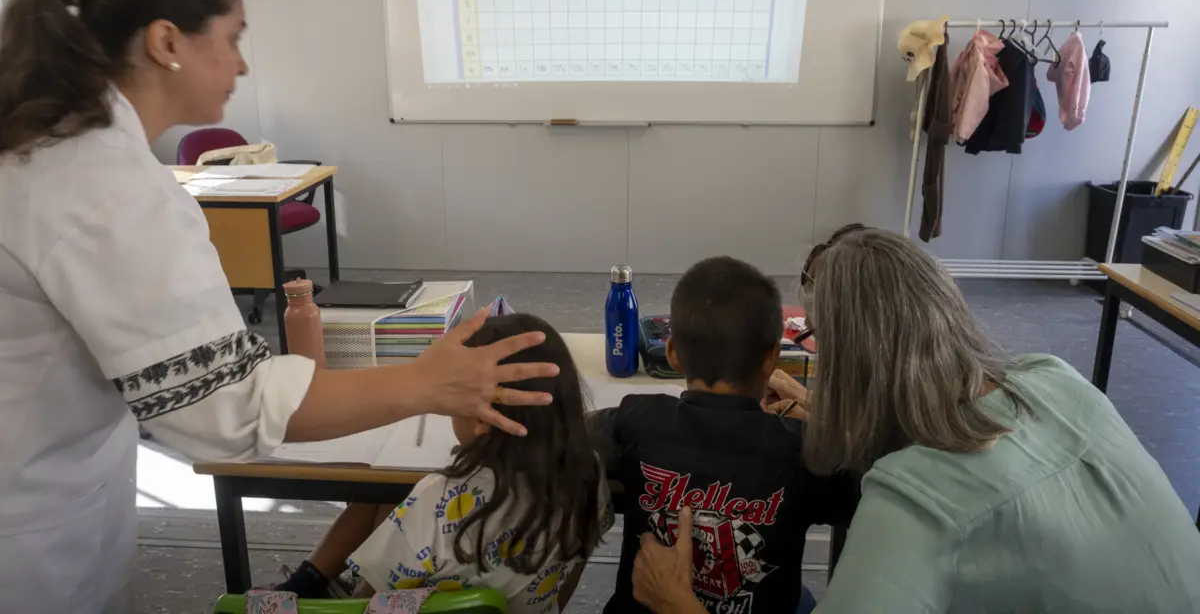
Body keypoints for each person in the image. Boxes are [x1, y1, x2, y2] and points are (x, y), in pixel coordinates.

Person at [0, 0, 559, 614]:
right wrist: (424, 382)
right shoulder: (106, 186)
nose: (241, 63)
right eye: (232, 38)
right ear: (166, 40)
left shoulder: (50, 147)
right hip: (29, 529)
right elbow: (227, 412)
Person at [632, 229, 1200, 613]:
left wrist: (679, 604)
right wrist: (844, 425)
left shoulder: (911, 504)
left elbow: (941, 487)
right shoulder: (1051, 375)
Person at [280, 314, 608, 612]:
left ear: (482, 418)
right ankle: (309, 579)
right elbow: (569, 576)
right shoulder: (589, 473)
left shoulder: (436, 499)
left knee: (389, 505)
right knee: (387, 503)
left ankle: (305, 582)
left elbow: (369, 602)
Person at [590, 256, 858, 614]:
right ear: (772, 358)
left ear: (673, 355)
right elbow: (870, 473)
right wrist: (815, 416)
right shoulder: (803, 448)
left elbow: (560, 432)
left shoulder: (637, 418)